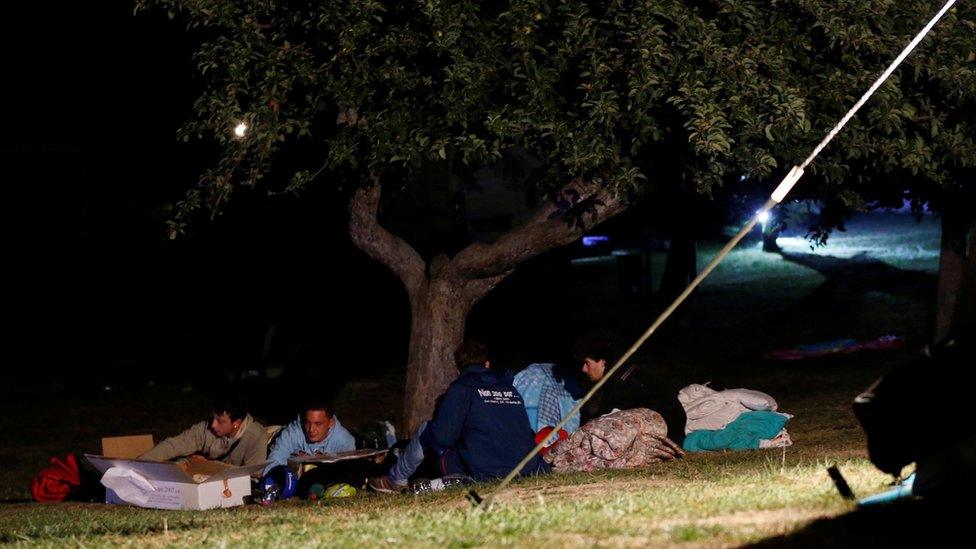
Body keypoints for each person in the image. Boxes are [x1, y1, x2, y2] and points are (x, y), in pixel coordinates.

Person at [368, 340, 548, 493]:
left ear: (458, 368)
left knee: (428, 429)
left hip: (486, 468)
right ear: (487, 364)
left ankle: (395, 479)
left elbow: (443, 438)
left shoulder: (461, 389)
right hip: (526, 466)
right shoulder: (510, 389)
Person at [571, 331, 688, 445]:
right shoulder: (630, 372)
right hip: (674, 433)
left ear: (602, 362)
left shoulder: (619, 381)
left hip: (666, 435)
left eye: (587, 363)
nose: (584, 369)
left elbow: (607, 417)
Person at [139, 393, 267, 466]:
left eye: (220, 421)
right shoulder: (207, 428)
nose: (213, 425)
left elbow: (252, 474)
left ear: (236, 423)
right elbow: (174, 445)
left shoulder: (255, 436)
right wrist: (139, 463)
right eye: (214, 418)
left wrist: (208, 465)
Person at [264, 398, 356, 474]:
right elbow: (275, 460)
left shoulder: (344, 441)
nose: (311, 429)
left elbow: (350, 473)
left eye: (318, 424)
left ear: (330, 423)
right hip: (272, 437)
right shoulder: (293, 432)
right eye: (308, 423)